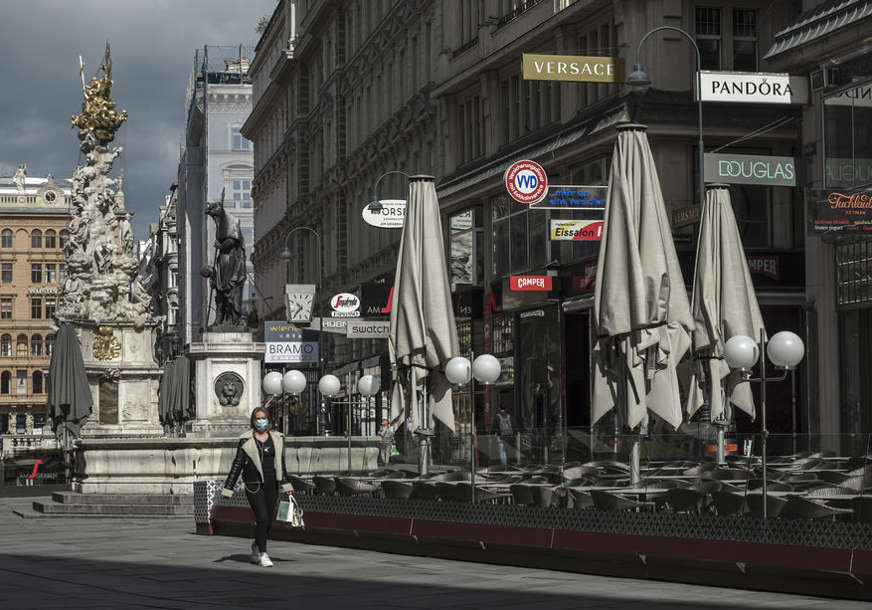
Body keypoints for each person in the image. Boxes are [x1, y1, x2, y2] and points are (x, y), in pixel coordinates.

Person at [221, 407, 293, 567]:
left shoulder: (277, 438)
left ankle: (256, 544)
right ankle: (263, 554)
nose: (261, 421)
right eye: (257, 418)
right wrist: (229, 488)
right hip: (253, 485)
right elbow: (237, 464)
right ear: (253, 421)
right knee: (262, 518)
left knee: (268, 522)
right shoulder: (246, 439)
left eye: (263, 418)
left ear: (268, 420)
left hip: (272, 483)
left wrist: (286, 484)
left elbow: (281, 463)